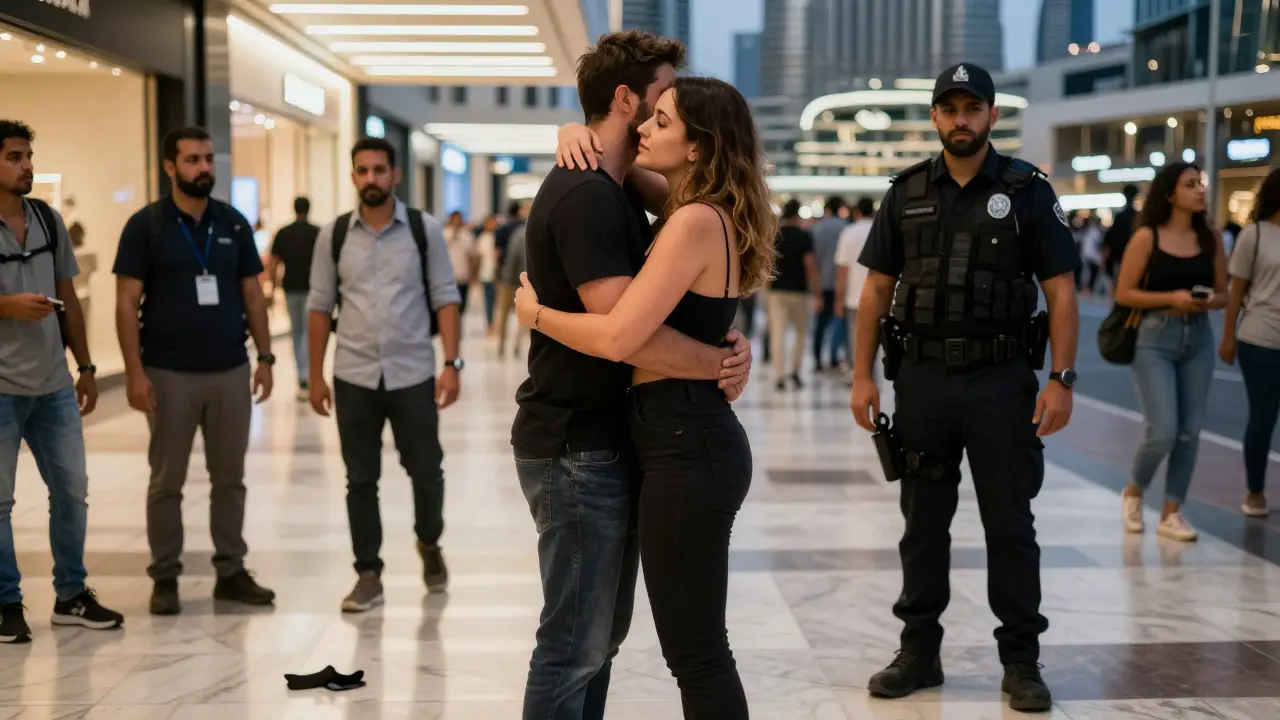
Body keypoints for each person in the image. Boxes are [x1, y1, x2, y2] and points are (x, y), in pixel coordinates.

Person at [512, 31, 752, 720]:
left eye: (668, 118)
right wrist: (716, 361)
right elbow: (624, 336)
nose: (654, 121)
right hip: (577, 442)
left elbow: (625, 332)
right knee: (580, 642)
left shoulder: (639, 195)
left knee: (607, 640)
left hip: (637, 440)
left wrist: (534, 312)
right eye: (655, 105)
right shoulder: (594, 193)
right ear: (626, 100)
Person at [849, 63, 1080, 713]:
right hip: (920, 381)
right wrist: (863, 374)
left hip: (1002, 381)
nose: (960, 119)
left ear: (992, 115)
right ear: (934, 118)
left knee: (1010, 523)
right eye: (948, 108)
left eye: (971, 107)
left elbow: (1060, 292)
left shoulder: (1028, 190)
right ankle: (918, 653)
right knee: (923, 525)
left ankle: (1021, 662)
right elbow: (874, 291)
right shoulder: (906, 191)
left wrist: (1060, 380)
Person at [114, 126, 277, 615]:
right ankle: (165, 576)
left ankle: (230, 570)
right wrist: (134, 373)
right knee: (167, 480)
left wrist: (265, 358)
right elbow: (126, 302)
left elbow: (253, 293)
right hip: (168, 373)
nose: (203, 168)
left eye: (208, 159)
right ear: (169, 167)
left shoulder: (232, 223)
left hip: (229, 369)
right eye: (191, 160)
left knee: (230, 478)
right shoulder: (146, 226)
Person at [306, 137, 463, 613]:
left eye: (379, 169)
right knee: (360, 479)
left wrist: (451, 365)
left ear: (395, 175)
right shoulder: (333, 236)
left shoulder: (423, 230)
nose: (371, 178)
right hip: (354, 374)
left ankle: (429, 542)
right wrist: (314, 376)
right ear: (353, 176)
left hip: (412, 372)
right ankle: (368, 573)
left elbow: (445, 297)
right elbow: (318, 307)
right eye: (362, 170)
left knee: (426, 471)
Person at [0, 120, 122, 643]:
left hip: (52, 385)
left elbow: (68, 298)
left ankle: (71, 593)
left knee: (72, 490)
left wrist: (88, 367)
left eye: (28, 155)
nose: (27, 165)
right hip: (1, 389)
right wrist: (7, 305)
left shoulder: (47, 220)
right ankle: (6, 602)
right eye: (14, 156)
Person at [1115, 163, 1227, 542]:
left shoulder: (1209, 236)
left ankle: (1171, 512)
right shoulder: (1147, 237)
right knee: (1161, 430)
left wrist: (1211, 301)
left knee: (1189, 433)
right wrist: (1171, 298)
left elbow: (1225, 292)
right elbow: (1124, 292)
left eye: (1201, 184)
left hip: (1198, 337)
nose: (1200, 190)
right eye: (1190, 184)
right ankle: (1133, 491)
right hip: (1154, 337)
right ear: (1169, 194)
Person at [1220, 170, 1280, 517]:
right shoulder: (1253, 236)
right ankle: (1255, 491)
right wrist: (1228, 336)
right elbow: (1237, 293)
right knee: (1263, 417)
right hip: (1260, 339)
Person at [266, 196, 320, 400]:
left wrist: (271, 288)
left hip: (291, 289)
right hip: (311, 289)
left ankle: (302, 374)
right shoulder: (316, 233)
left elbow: (273, 262)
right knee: (308, 332)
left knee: (297, 332)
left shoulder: (284, 233)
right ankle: (308, 374)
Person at [769, 200, 820, 390]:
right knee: (800, 333)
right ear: (798, 215)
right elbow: (810, 264)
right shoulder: (804, 235)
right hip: (799, 291)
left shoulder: (775, 235)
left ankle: (779, 375)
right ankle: (795, 371)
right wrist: (817, 292)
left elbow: (767, 262)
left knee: (778, 333)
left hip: (777, 291)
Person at [834, 197, 875, 377]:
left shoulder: (849, 232)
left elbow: (843, 271)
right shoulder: (880, 231)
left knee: (855, 340)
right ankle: (872, 375)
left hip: (853, 297)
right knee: (875, 340)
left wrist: (838, 300)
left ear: (857, 212)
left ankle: (859, 376)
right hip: (878, 297)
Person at [811, 196, 849, 370]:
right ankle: (834, 358)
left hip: (822, 283)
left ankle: (817, 359)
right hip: (842, 284)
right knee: (839, 323)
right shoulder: (846, 229)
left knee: (820, 323)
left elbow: (813, 260)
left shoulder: (817, 230)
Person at [494, 201, 530, 354]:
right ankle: (517, 344)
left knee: (503, 313)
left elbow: (497, 253)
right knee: (525, 313)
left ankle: (501, 346)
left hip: (507, 277)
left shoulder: (502, 230)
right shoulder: (526, 229)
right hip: (525, 278)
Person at [1103, 184, 1139, 293]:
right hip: (1135, 257)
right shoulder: (1138, 217)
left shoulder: (1119, 217)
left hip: (1119, 258)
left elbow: (1109, 239)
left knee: (1120, 287)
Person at [444, 211, 476, 316]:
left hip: (463, 275)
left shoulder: (466, 235)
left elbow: (471, 256)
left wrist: (472, 274)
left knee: (462, 306)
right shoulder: (444, 233)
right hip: (449, 277)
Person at [476, 215, 501, 332]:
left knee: (497, 301)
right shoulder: (483, 238)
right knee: (489, 300)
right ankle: (490, 324)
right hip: (486, 274)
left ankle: (495, 324)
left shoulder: (497, 237)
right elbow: (479, 257)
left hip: (497, 274)